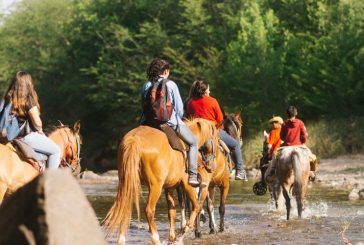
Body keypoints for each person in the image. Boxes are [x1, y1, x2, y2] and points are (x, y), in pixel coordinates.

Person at [141, 58, 199, 186]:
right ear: (165, 71)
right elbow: (179, 109)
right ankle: (193, 175)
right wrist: (178, 119)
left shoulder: (146, 85)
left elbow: (143, 106)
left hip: (148, 123)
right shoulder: (171, 84)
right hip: (169, 123)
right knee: (194, 142)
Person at [186, 80, 248, 181]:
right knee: (236, 144)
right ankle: (240, 170)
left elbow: (189, 118)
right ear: (205, 91)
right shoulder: (212, 101)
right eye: (208, 90)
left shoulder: (190, 103)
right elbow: (220, 119)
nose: (209, 92)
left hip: (195, 134)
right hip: (212, 132)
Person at [3, 71, 61, 169]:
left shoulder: (7, 99)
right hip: (24, 137)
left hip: (8, 136)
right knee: (56, 151)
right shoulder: (28, 100)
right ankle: (50, 180)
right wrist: (40, 131)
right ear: (28, 85)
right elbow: (37, 123)